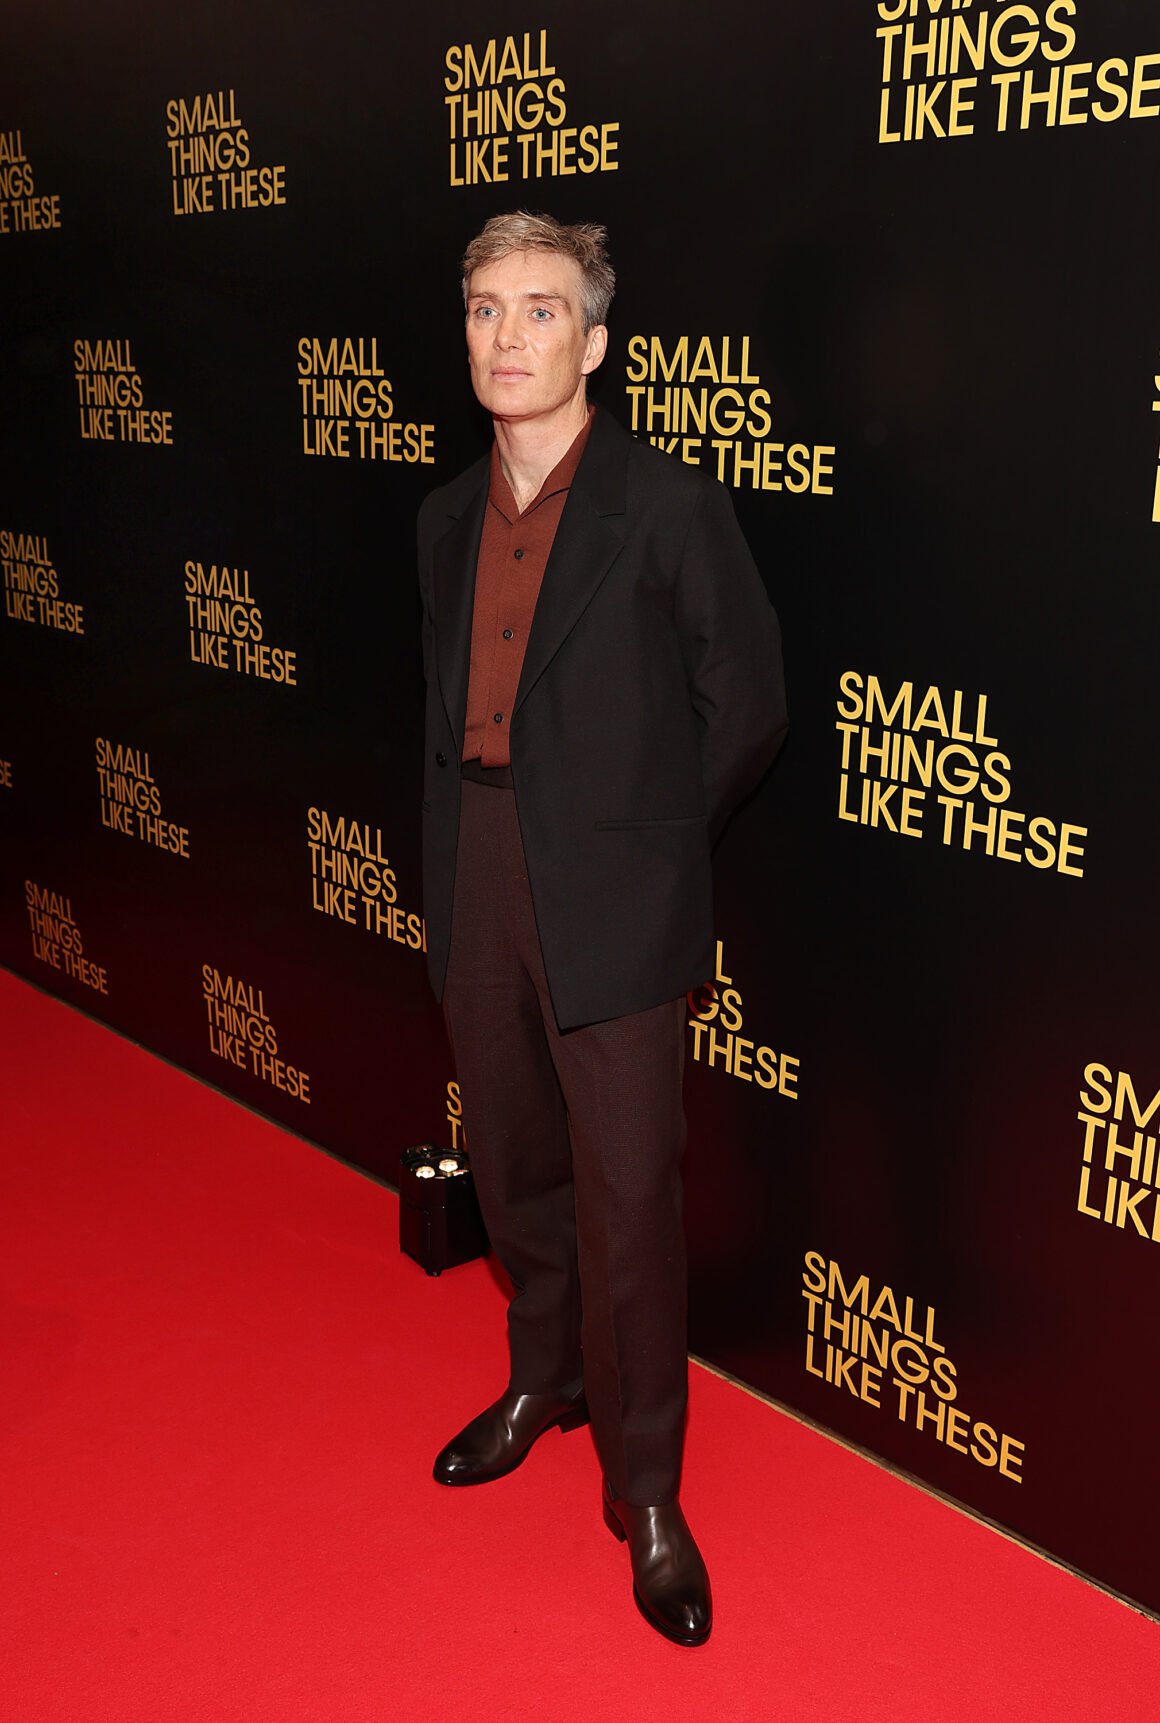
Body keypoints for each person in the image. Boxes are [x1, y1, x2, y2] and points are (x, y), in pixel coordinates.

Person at [416, 210, 787, 1647]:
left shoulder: (669, 506)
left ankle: (646, 1495)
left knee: (629, 1192)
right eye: (486, 310)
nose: (509, 338)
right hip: (479, 865)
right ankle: (541, 1378)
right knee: (515, 1166)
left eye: (541, 312)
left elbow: (746, 702)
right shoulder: (445, 518)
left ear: (596, 340)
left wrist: (639, 842)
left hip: (617, 886)